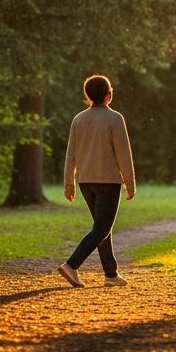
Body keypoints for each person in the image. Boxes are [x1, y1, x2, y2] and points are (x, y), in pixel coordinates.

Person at [58, 74, 136, 288]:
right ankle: (71, 265)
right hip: (108, 181)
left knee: (102, 227)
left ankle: (111, 275)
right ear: (109, 95)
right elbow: (123, 154)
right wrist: (130, 184)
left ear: (88, 96)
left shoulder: (78, 119)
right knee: (102, 227)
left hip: (85, 181)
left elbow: (70, 154)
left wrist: (68, 183)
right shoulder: (115, 118)